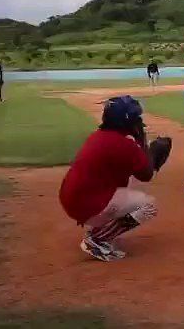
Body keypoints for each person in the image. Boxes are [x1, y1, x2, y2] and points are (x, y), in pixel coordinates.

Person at [59, 95, 167, 262]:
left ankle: (99, 229)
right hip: (84, 204)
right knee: (148, 206)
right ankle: (97, 239)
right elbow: (146, 175)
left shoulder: (100, 136)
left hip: (74, 198)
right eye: (136, 117)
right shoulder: (124, 144)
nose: (139, 121)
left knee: (129, 184)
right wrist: (142, 141)